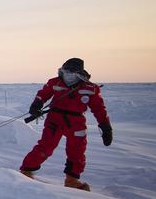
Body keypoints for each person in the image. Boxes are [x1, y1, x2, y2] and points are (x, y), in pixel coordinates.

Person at [19, 58, 112, 191]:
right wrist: (36, 104)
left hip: (76, 122)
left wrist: (105, 126)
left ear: (79, 73)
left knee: (77, 151)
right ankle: (26, 173)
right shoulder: (55, 82)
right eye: (64, 71)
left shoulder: (90, 88)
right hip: (54, 119)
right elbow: (43, 94)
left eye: (70, 72)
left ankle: (72, 181)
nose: (67, 75)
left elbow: (99, 109)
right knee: (45, 147)